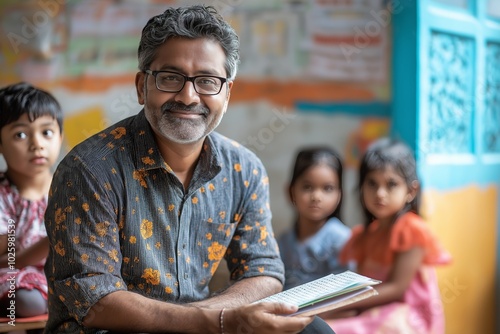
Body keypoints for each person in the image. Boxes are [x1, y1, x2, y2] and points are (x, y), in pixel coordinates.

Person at [43, 5, 335, 334]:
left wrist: (204, 318)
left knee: (313, 330)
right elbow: (97, 302)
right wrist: (216, 321)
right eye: (170, 78)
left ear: (226, 94)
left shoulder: (243, 169)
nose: (188, 96)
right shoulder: (90, 170)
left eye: (207, 81)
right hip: (114, 330)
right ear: (142, 87)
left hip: (203, 325)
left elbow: (263, 271)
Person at [324, 138, 452, 333]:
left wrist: (342, 303)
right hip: (371, 310)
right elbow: (361, 285)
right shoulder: (364, 236)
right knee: (317, 324)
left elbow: (397, 288)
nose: (380, 193)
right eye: (372, 184)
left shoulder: (411, 230)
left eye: (391, 184)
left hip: (407, 316)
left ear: (411, 190)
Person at [0, 82, 63, 318]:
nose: (37, 144)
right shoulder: (4, 195)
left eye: (46, 132)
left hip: (63, 274)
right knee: (27, 301)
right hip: (15, 276)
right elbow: (6, 261)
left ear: (60, 136)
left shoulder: (70, 187)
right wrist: (54, 237)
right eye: (21, 134)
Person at [278, 147, 351, 290]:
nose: (316, 197)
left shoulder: (342, 240)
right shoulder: (283, 242)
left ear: (339, 195)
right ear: (290, 192)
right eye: (307, 187)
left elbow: (346, 294)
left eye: (327, 188)